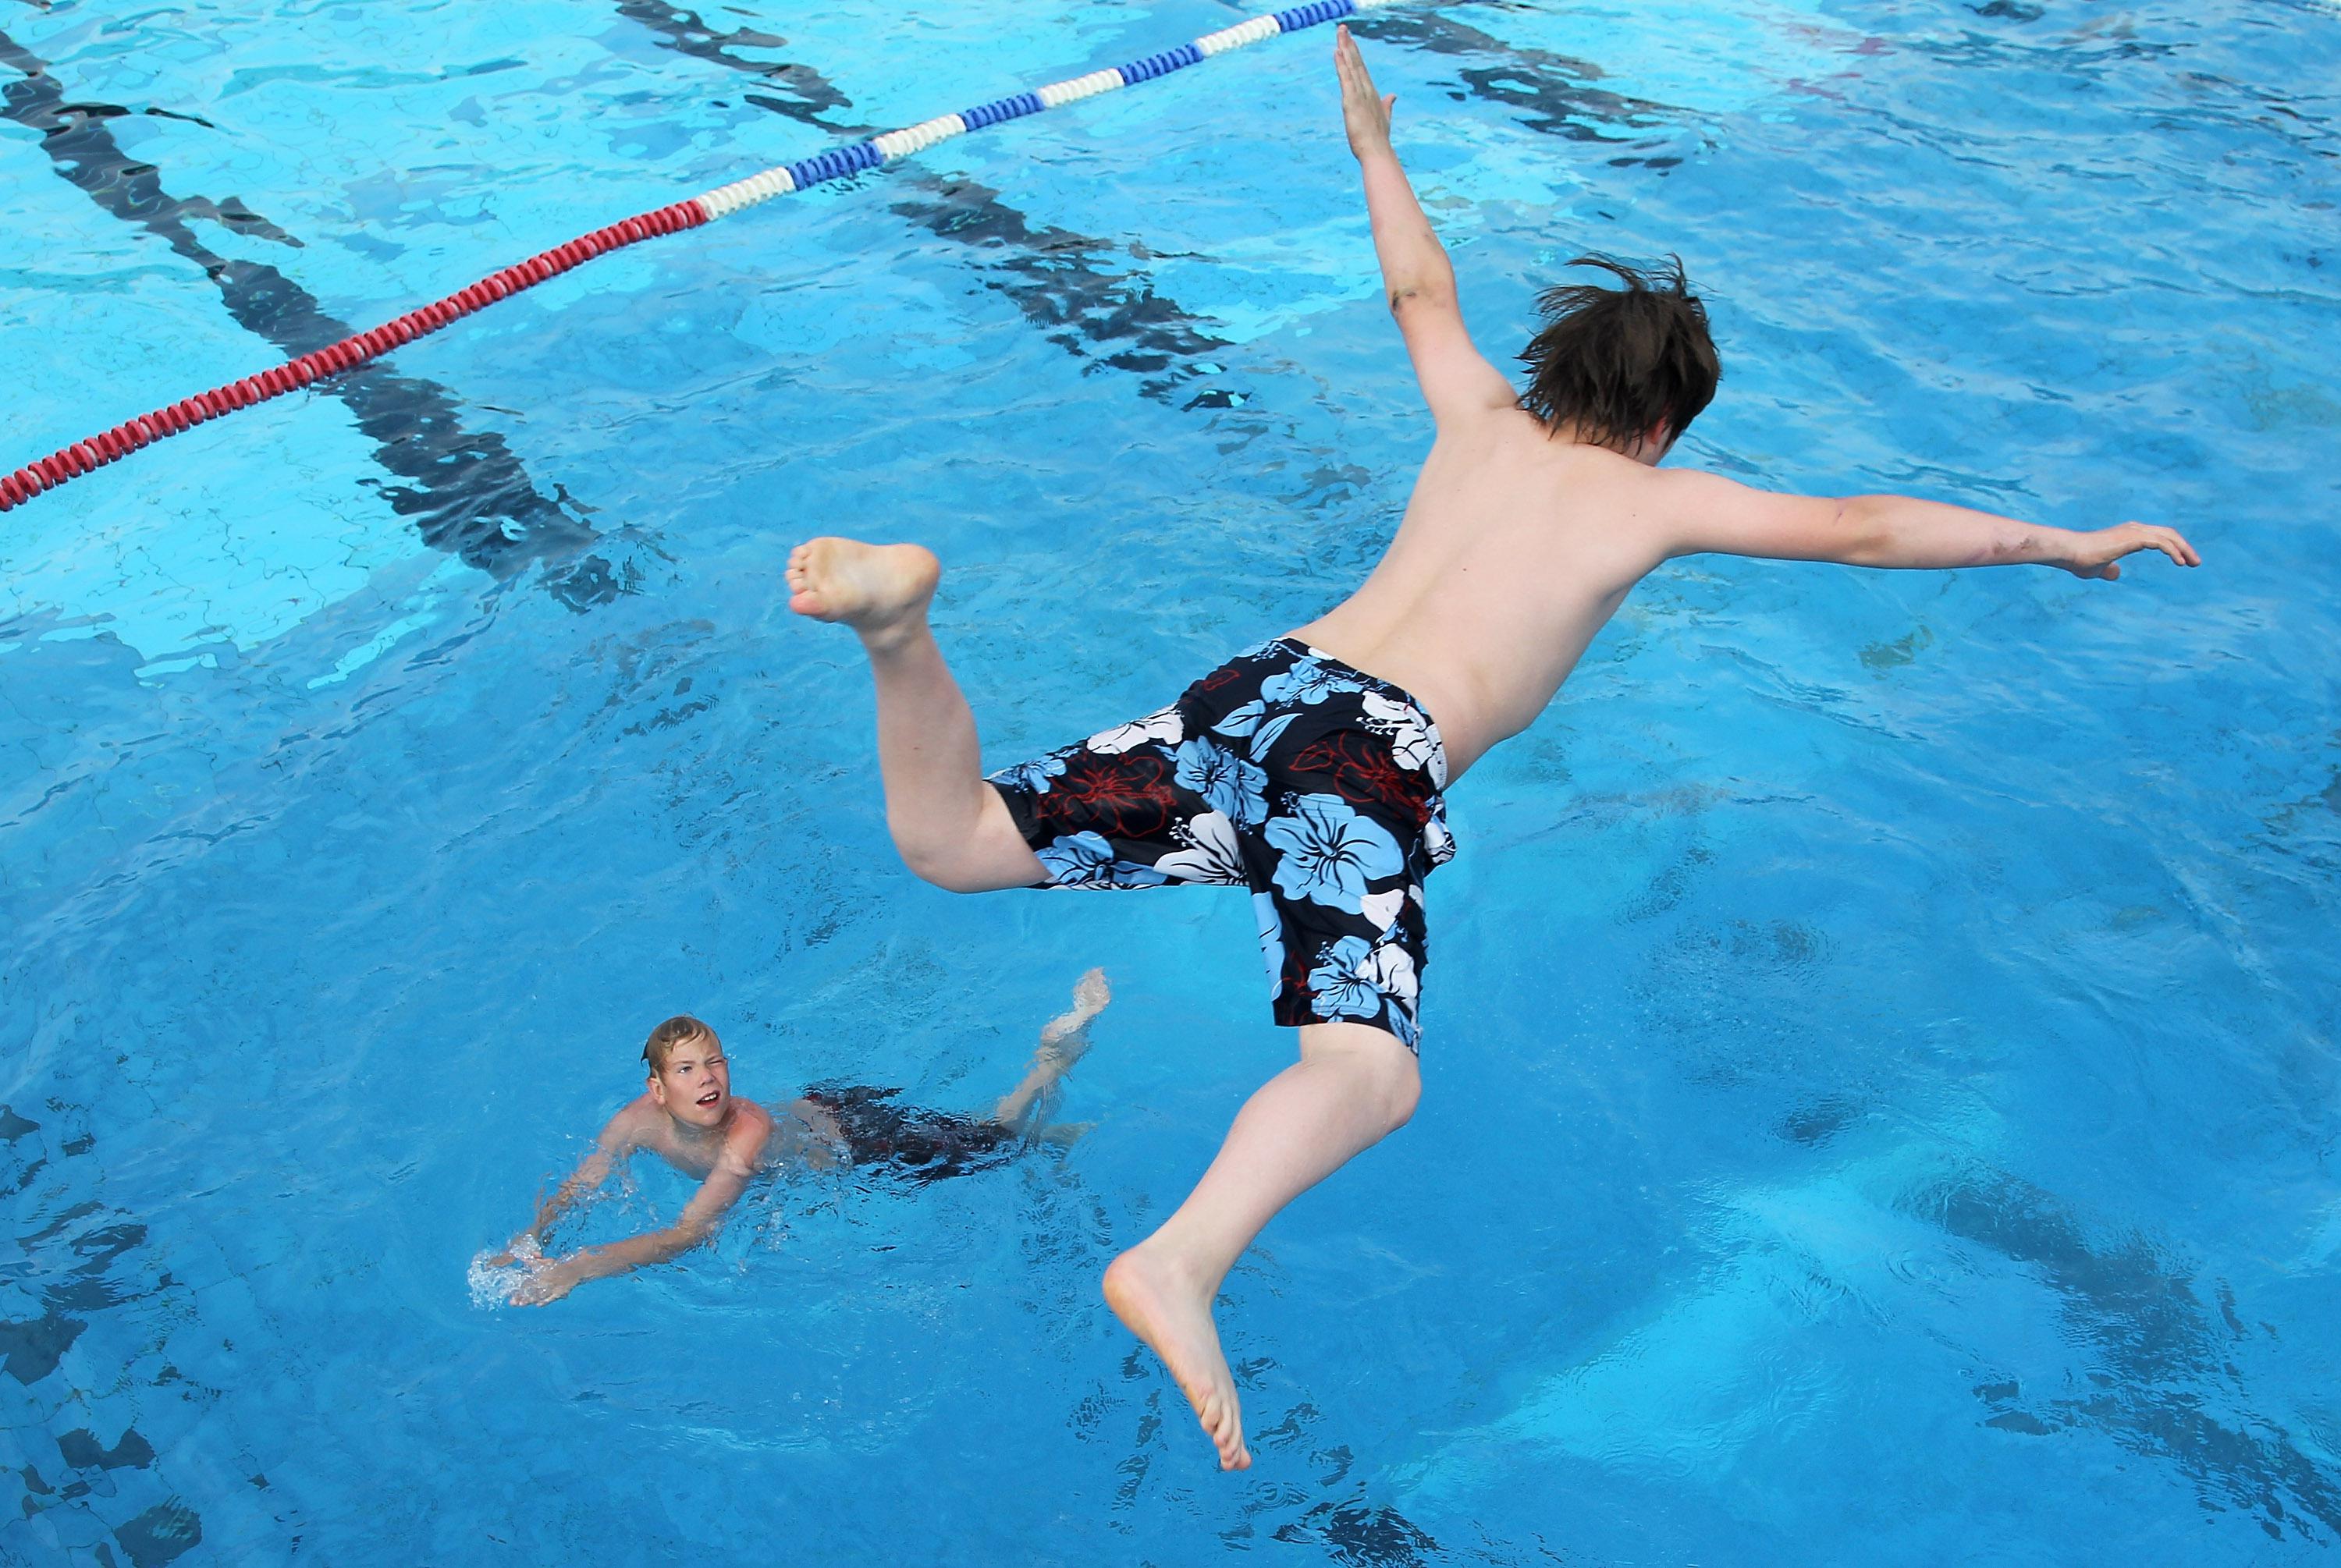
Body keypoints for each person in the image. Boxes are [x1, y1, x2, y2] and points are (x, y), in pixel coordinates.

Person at [779, 26, 2200, 1470]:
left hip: (1262, 689)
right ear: (1658, 423)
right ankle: (1181, 1261)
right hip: (1362, 761)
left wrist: (1377, 149)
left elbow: (1416, 285)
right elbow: (1865, 525)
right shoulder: (1644, 500)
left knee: (951, 842)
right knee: (1370, 1075)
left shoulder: (1476, 417)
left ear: (1553, 374)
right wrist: (2059, 541)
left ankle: (899, 632)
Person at [499, 968, 1111, 1304]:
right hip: (822, 1106)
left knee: (996, 1140)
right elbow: (582, 1184)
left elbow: (692, 1232)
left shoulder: (748, 1131)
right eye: (686, 1070)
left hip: (862, 1144)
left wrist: (580, 1268)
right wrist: (528, 1242)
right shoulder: (633, 1122)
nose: (707, 1079)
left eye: (714, 1063)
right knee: (977, 1133)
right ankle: (1054, 1133)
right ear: (657, 1089)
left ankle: (1052, 1058)